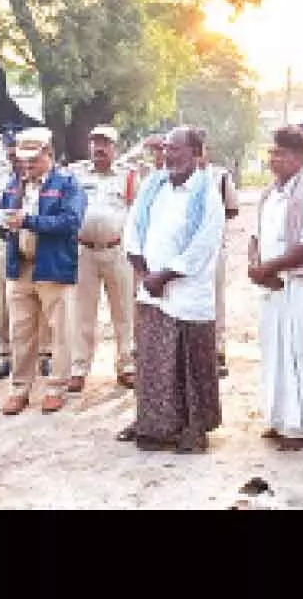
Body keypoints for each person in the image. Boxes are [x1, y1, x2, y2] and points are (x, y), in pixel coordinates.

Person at [116, 126, 226, 452]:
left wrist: (165, 275)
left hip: (187, 292)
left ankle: (193, 429)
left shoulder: (207, 193)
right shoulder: (153, 186)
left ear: (195, 153)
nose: (169, 155)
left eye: (176, 149)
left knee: (190, 364)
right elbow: (133, 227)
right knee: (153, 361)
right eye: (165, 148)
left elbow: (203, 244)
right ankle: (153, 424)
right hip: (151, 288)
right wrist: (141, 268)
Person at [249, 125, 303, 451]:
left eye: (280, 154)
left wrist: (270, 268)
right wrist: (257, 267)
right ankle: (279, 418)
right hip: (273, 286)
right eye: (271, 152)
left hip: (299, 284)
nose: (273, 159)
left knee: (301, 353)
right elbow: (258, 237)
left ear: (298, 157)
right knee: (275, 352)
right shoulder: (271, 193)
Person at [0, 127, 87, 416]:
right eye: (24, 160)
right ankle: (19, 389)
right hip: (19, 266)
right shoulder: (14, 185)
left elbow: (71, 222)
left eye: (33, 160)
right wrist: (0, 221)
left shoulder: (68, 184)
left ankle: (55, 388)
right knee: (20, 330)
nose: (27, 165)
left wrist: (29, 221)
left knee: (60, 330)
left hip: (53, 265)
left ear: (49, 154)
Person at [69, 125, 138, 391]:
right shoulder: (75, 174)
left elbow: (137, 213)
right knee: (82, 313)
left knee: (123, 312)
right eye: (95, 142)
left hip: (117, 251)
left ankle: (126, 365)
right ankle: (79, 368)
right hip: (84, 251)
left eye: (105, 143)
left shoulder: (129, 176)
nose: (99, 148)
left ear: (115, 148)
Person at [195, 128, 241, 378]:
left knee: (215, 299)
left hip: (214, 251)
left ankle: (217, 351)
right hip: (187, 253)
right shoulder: (179, 176)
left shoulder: (219, 176)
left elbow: (232, 209)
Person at [0, 131, 18, 380]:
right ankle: (6, 355)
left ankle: (44, 355)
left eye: (15, 146)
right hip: (7, 242)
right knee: (5, 300)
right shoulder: (1, 176)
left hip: (35, 242)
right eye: (8, 146)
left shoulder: (39, 174)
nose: (11, 151)